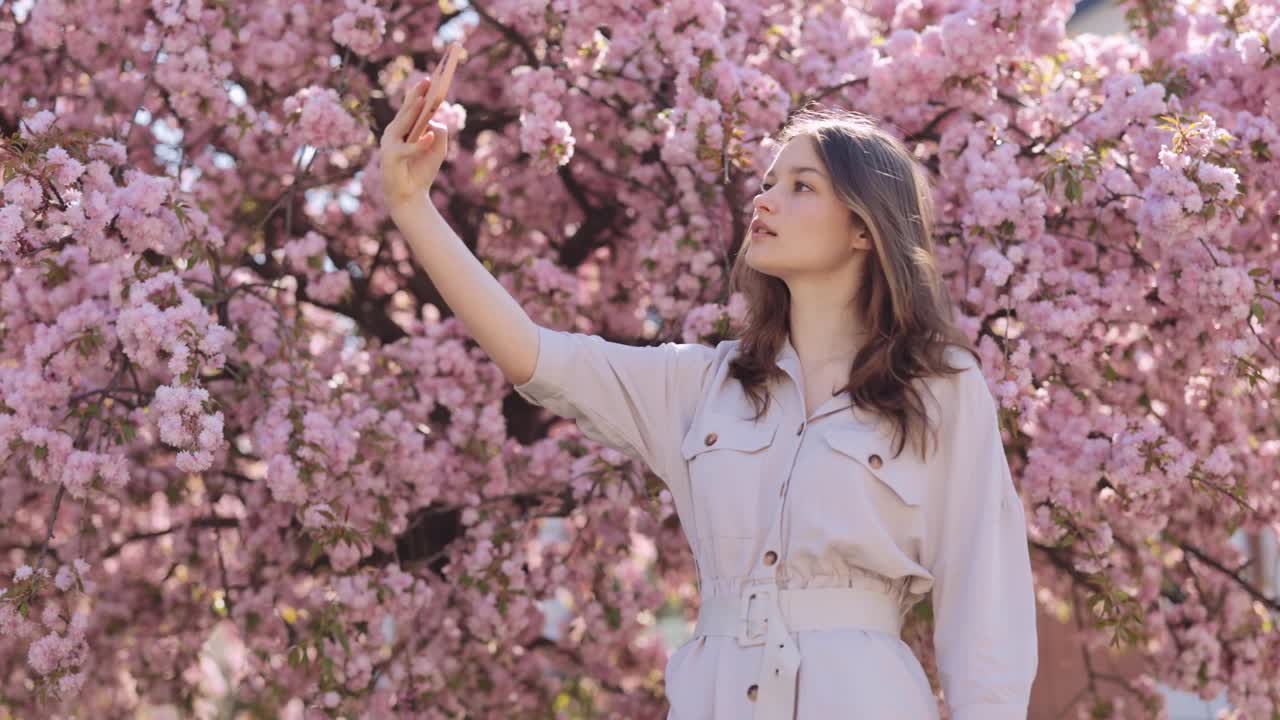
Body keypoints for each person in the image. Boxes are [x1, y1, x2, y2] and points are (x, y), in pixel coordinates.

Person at [380, 43, 1038, 720]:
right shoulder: (703, 385)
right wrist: (412, 205)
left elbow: (985, 610)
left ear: (864, 231)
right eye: (769, 181)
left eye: (800, 186)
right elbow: (537, 356)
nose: (766, 198)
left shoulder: (940, 387)